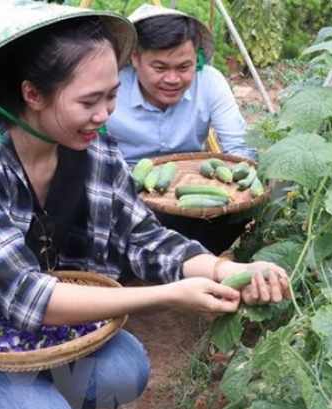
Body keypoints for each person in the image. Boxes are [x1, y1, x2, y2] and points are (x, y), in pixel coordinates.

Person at [0, 1, 290, 409]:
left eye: (112, 96)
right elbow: (25, 294)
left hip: (48, 324)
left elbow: (143, 239)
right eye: (89, 100)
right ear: (32, 93)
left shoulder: (93, 148)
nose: (104, 113)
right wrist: (167, 295)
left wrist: (227, 270)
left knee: (126, 369)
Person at [106, 4, 257, 256]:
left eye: (184, 67)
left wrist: (240, 181)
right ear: (135, 58)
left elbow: (240, 148)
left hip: (192, 193)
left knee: (238, 213)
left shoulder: (209, 82)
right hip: (126, 197)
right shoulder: (112, 87)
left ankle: (192, 266)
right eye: (160, 68)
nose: (173, 79)